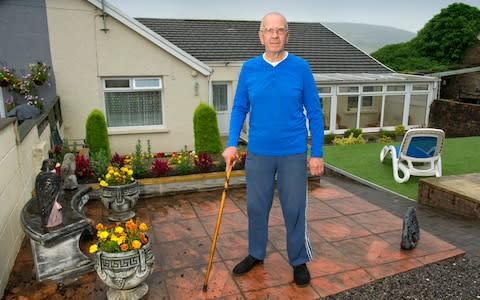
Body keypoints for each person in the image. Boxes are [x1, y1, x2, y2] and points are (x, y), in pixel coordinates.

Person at [222, 12, 324, 287]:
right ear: (261, 36)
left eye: (280, 30)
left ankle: (298, 260)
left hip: (292, 152)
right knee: (256, 207)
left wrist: (317, 153)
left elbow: (314, 111)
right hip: (259, 152)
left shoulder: (301, 68)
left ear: (287, 35)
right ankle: (256, 253)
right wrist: (232, 143)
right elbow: (239, 107)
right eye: (270, 30)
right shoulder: (250, 68)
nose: (275, 35)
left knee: (294, 208)